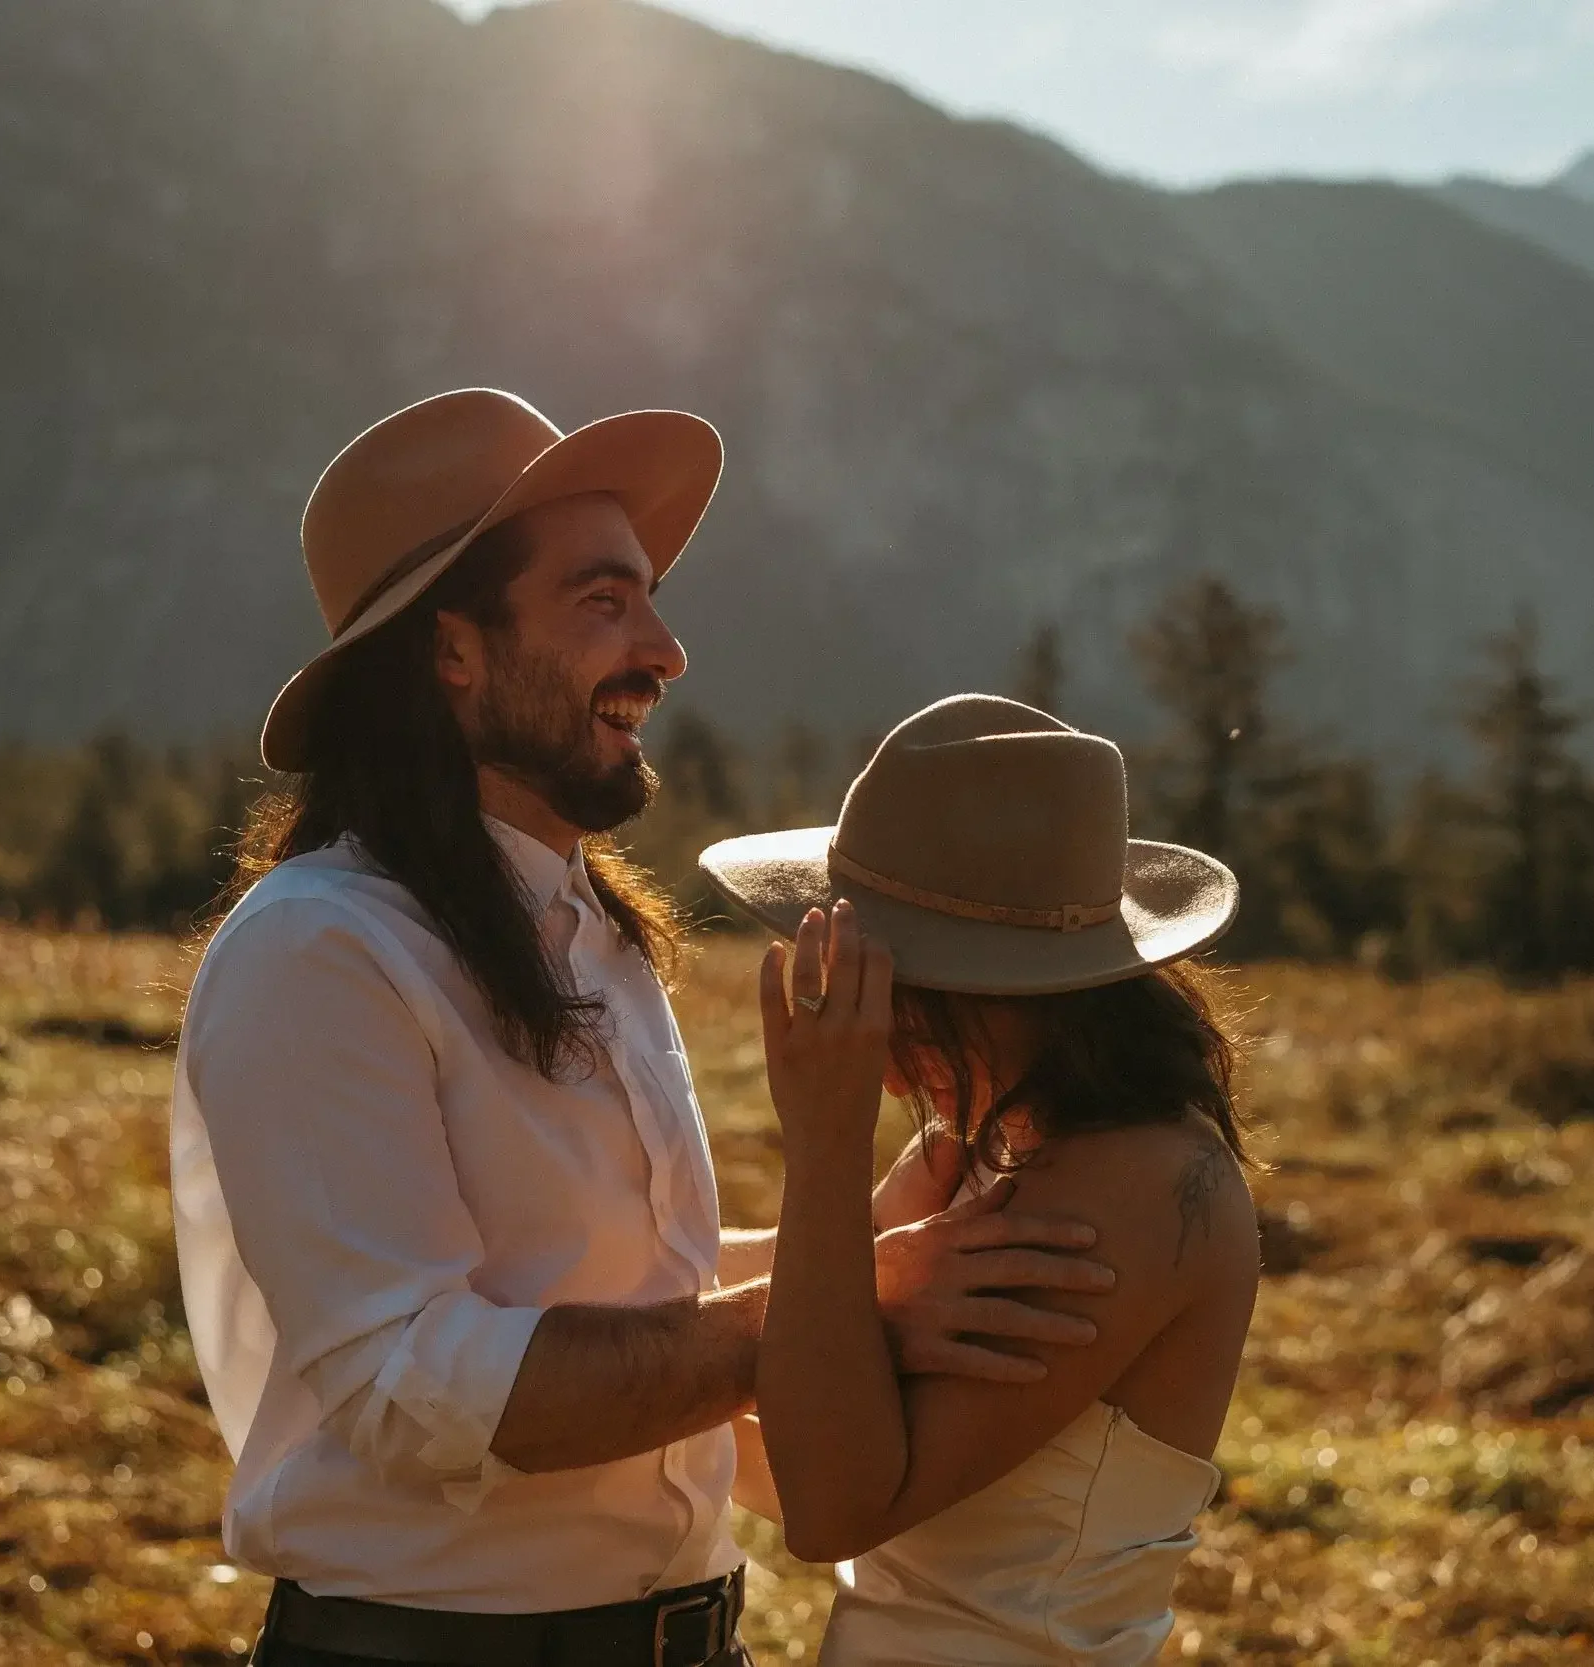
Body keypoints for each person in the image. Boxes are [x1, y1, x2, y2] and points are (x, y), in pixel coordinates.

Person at [170, 392, 1119, 1667]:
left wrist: (851, 1240)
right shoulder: (319, 950)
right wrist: (836, 1310)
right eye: (603, 602)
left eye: (652, 598)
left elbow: (614, 1278)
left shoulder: (589, 927)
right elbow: (414, 1383)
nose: (666, 652)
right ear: (452, 652)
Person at [700, 693, 1262, 1667]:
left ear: (982, 986)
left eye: (885, 983)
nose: (863, 1030)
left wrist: (826, 1143)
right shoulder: (972, 1145)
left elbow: (833, 1499)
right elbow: (813, 1388)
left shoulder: (1143, 1187)